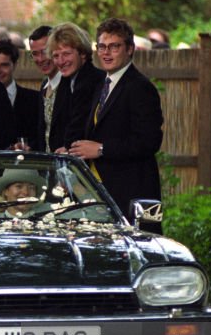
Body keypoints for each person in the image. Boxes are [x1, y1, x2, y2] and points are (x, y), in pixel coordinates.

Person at [69, 18, 163, 224]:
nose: (106, 52)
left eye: (114, 46)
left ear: (130, 49)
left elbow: (149, 142)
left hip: (135, 192)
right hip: (102, 192)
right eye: (102, 47)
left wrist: (102, 149)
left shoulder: (141, 87)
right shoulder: (103, 84)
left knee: (141, 249)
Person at [46, 22, 105, 151]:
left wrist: (67, 147)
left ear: (82, 53)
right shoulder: (67, 81)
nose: (61, 61)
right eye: (56, 55)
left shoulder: (96, 81)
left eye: (66, 54)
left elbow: (80, 126)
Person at [0, 39, 40, 147]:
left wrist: (29, 147)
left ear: (15, 65)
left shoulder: (34, 99)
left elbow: (41, 136)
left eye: (4, 65)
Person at [28, 25, 64, 152]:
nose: (40, 59)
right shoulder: (44, 85)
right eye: (35, 54)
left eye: (44, 52)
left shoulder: (71, 84)